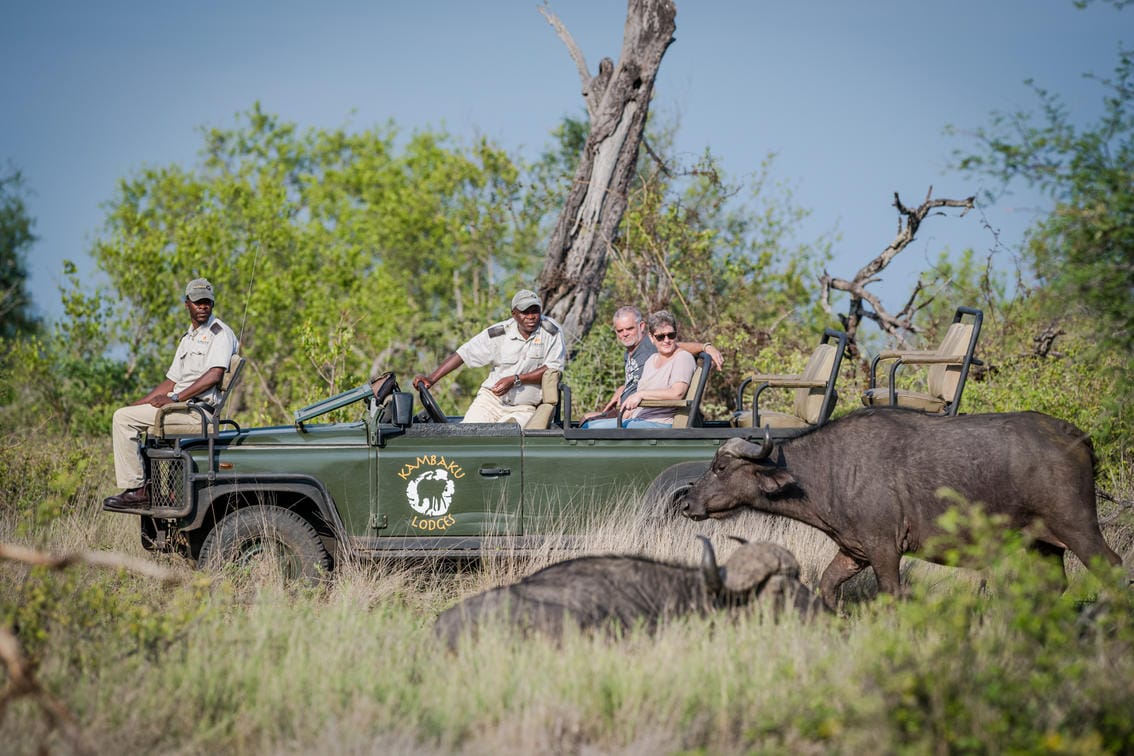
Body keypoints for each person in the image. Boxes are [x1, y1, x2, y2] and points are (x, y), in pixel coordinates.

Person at [103, 278, 238, 510]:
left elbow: (214, 375)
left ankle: (137, 490)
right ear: (187, 304)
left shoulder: (220, 333)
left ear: (213, 303)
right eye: (197, 302)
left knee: (121, 419)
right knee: (127, 413)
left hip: (197, 411)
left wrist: (176, 398)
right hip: (182, 407)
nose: (203, 306)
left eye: (207, 302)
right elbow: (171, 381)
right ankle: (150, 487)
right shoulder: (189, 338)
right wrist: (139, 404)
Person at [413, 289, 567, 425]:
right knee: (466, 435)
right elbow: (464, 354)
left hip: (524, 407)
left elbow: (552, 369)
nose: (531, 317)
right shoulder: (500, 333)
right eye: (525, 312)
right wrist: (432, 378)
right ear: (514, 314)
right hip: (491, 401)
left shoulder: (551, 332)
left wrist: (515, 379)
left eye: (535, 311)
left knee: (504, 435)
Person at [581, 306, 722, 426]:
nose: (625, 334)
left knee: (587, 424)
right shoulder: (643, 356)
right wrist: (623, 389)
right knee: (587, 422)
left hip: (649, 415)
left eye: (629, 329)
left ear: (641, 327)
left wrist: (706, 347)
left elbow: (676, 347)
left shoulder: (651, 346)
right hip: (635, 412)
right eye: (620, 330)